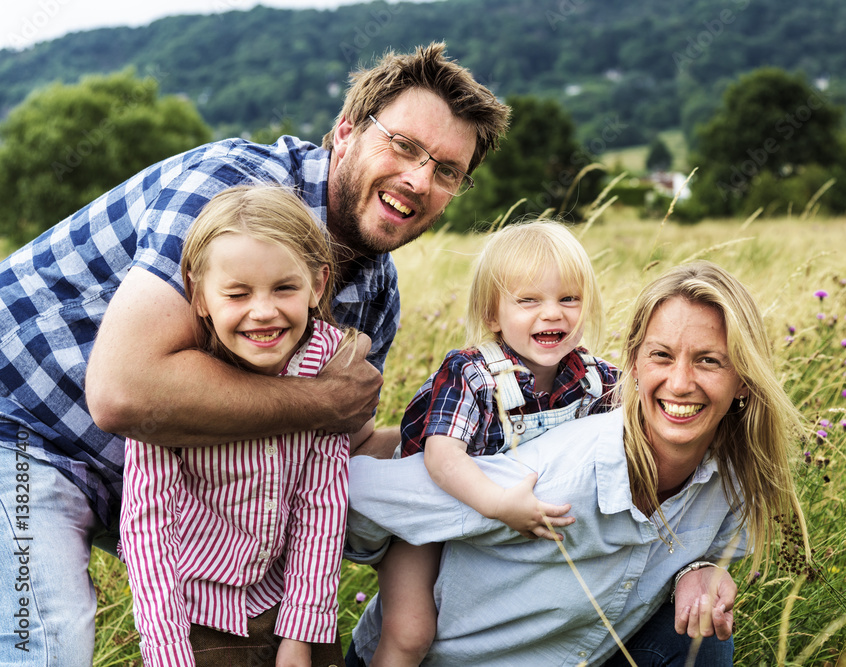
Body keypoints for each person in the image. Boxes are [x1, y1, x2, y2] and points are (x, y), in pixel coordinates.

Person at [0, 43, 509, 666]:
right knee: (45, 645)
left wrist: (471, 447)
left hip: (151, 485)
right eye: (403, 146)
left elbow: (323, 447)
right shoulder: (233, 193)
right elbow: (122, 392)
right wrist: (321, 403)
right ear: (345, 132)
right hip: (27, 433)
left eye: (447, 170)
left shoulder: (374, 296)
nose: (419, 180)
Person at [344, 260, 809, 666]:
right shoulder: (548, 476)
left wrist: (700, 570)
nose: (680, 382)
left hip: (582, 654)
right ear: (635, 364)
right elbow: (357, 496)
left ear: (745, 381)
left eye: (709, 361)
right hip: (431, 659)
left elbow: (708, 547)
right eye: (661, 356)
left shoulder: (734, 478)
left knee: (700, 633)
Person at [120, 185, 369, 666]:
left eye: (285, 288)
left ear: (318, 285)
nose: (263, 311)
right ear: (199, 296)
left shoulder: (327, 364)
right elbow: (147, 526)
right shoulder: (174, 383)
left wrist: (301, 631)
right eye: (236, 293)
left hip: (290, 601)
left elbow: (321, 504)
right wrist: (169, 652)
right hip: (195, 615)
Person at [373, 220, 619, 666]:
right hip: (429, 514)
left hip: (507, 525)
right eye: (528, 300)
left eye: (569, 299)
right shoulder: (472, 373)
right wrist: (498, 504)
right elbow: (442, 457)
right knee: (411, 631)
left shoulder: (597, 378)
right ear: (492, 315)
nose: (552, 313)